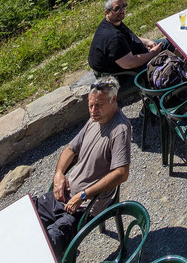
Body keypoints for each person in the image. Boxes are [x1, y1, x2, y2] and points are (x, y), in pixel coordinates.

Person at [32, 79, 131, 257]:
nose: (93, 111)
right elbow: (70, 149)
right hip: (63, 194)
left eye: (98, 105)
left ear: (113, 99)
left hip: (84, 207)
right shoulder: (93, 120)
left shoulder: (120, 129)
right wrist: (59, 175)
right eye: (90, 105)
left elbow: (121, 173)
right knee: (28, 218)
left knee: (51, 244)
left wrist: (84, 194)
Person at [88, 0, 169, 84]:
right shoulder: (113, 37)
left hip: (128, 55)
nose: (122, 11)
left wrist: (147, 42)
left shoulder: (112, 22)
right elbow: (129, 63)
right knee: (166, 56)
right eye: (117, 9)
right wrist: (153, 53)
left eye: (124, 6)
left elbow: (129, 36)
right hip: (122, 75)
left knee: (167, 43)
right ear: (107, 12)